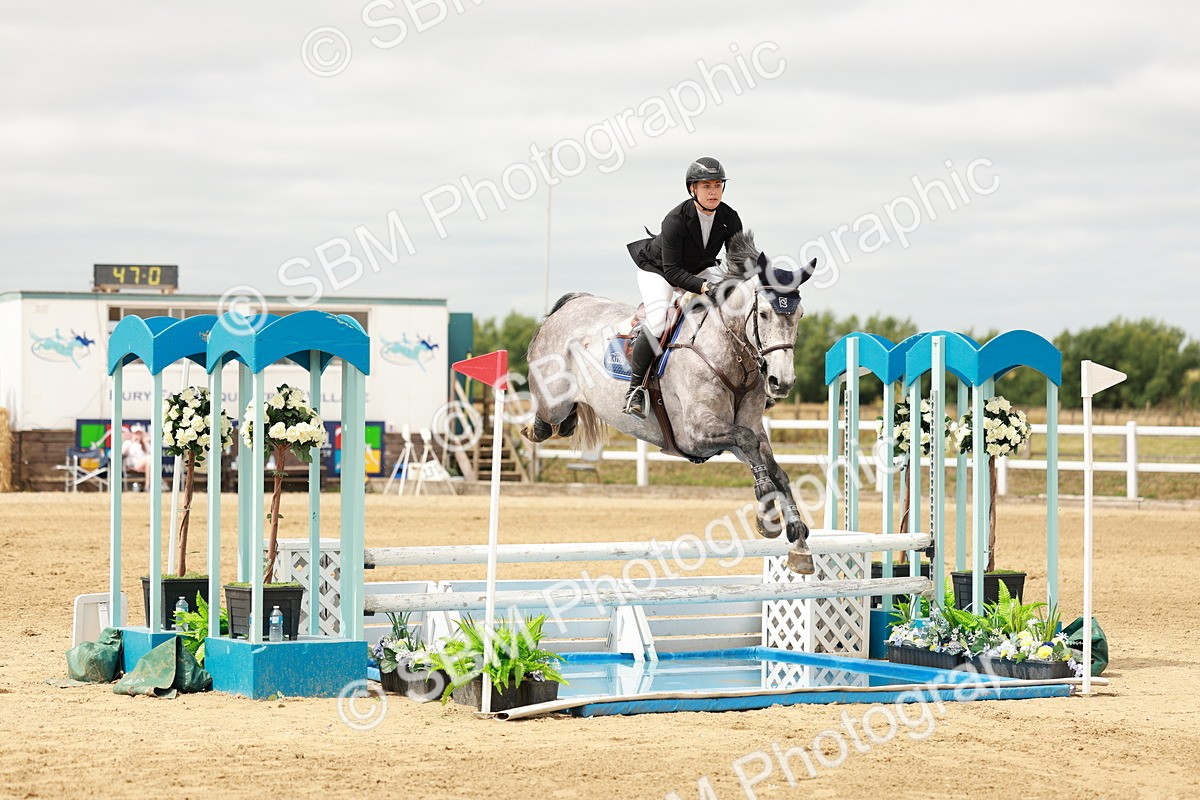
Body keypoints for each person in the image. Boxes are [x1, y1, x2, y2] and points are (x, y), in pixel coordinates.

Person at [623, 157, 743, 417]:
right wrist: (704, 288)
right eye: (706, 186)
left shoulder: (729, 217)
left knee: (735, 306)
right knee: (657, 321)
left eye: (717, 186)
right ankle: (635, 388)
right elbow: (673, 271)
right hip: (659, 270)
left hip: (697, 268)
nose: (713, 192)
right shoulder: (675, 220)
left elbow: (738, 262)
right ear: (693, 189)